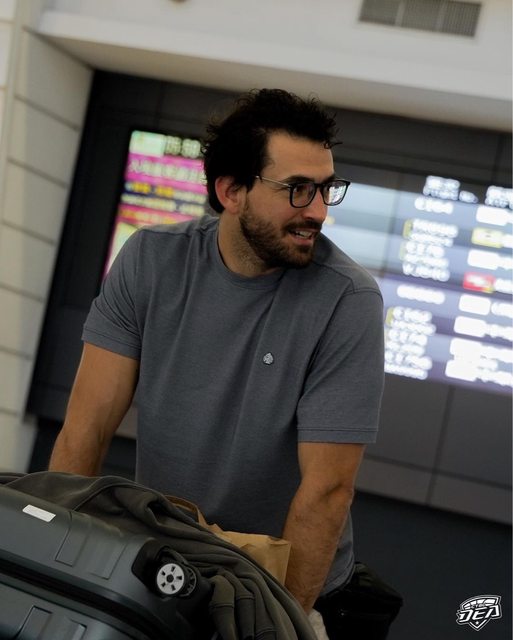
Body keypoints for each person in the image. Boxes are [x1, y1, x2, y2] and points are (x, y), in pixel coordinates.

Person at [49, 89, 385, 634]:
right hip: (171, 559)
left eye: (327, 189)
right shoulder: (150, 260)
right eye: (298, 190)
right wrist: (51, 555)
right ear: (231, 191)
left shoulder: (348, 300)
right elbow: (85, 429)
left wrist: (282, 625)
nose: (319, 211)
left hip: (288, 581)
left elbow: (326, 491)